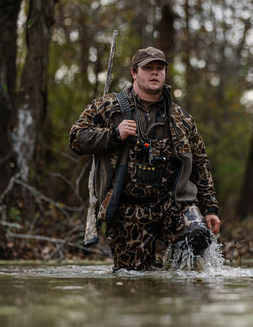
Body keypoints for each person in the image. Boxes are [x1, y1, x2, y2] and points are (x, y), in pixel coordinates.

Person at [69, 46, 221, 271]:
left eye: (159, 68)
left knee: (197, 236)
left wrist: (210, 208)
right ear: (134, 73)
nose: (154, 73)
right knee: (133, 278)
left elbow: (200, 163)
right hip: (127, 210)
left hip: (173, 204)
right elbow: (75, 138)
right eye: (148, 68)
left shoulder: (182, 118)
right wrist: (113, 135)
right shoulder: (108, 107)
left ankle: (175, 279)